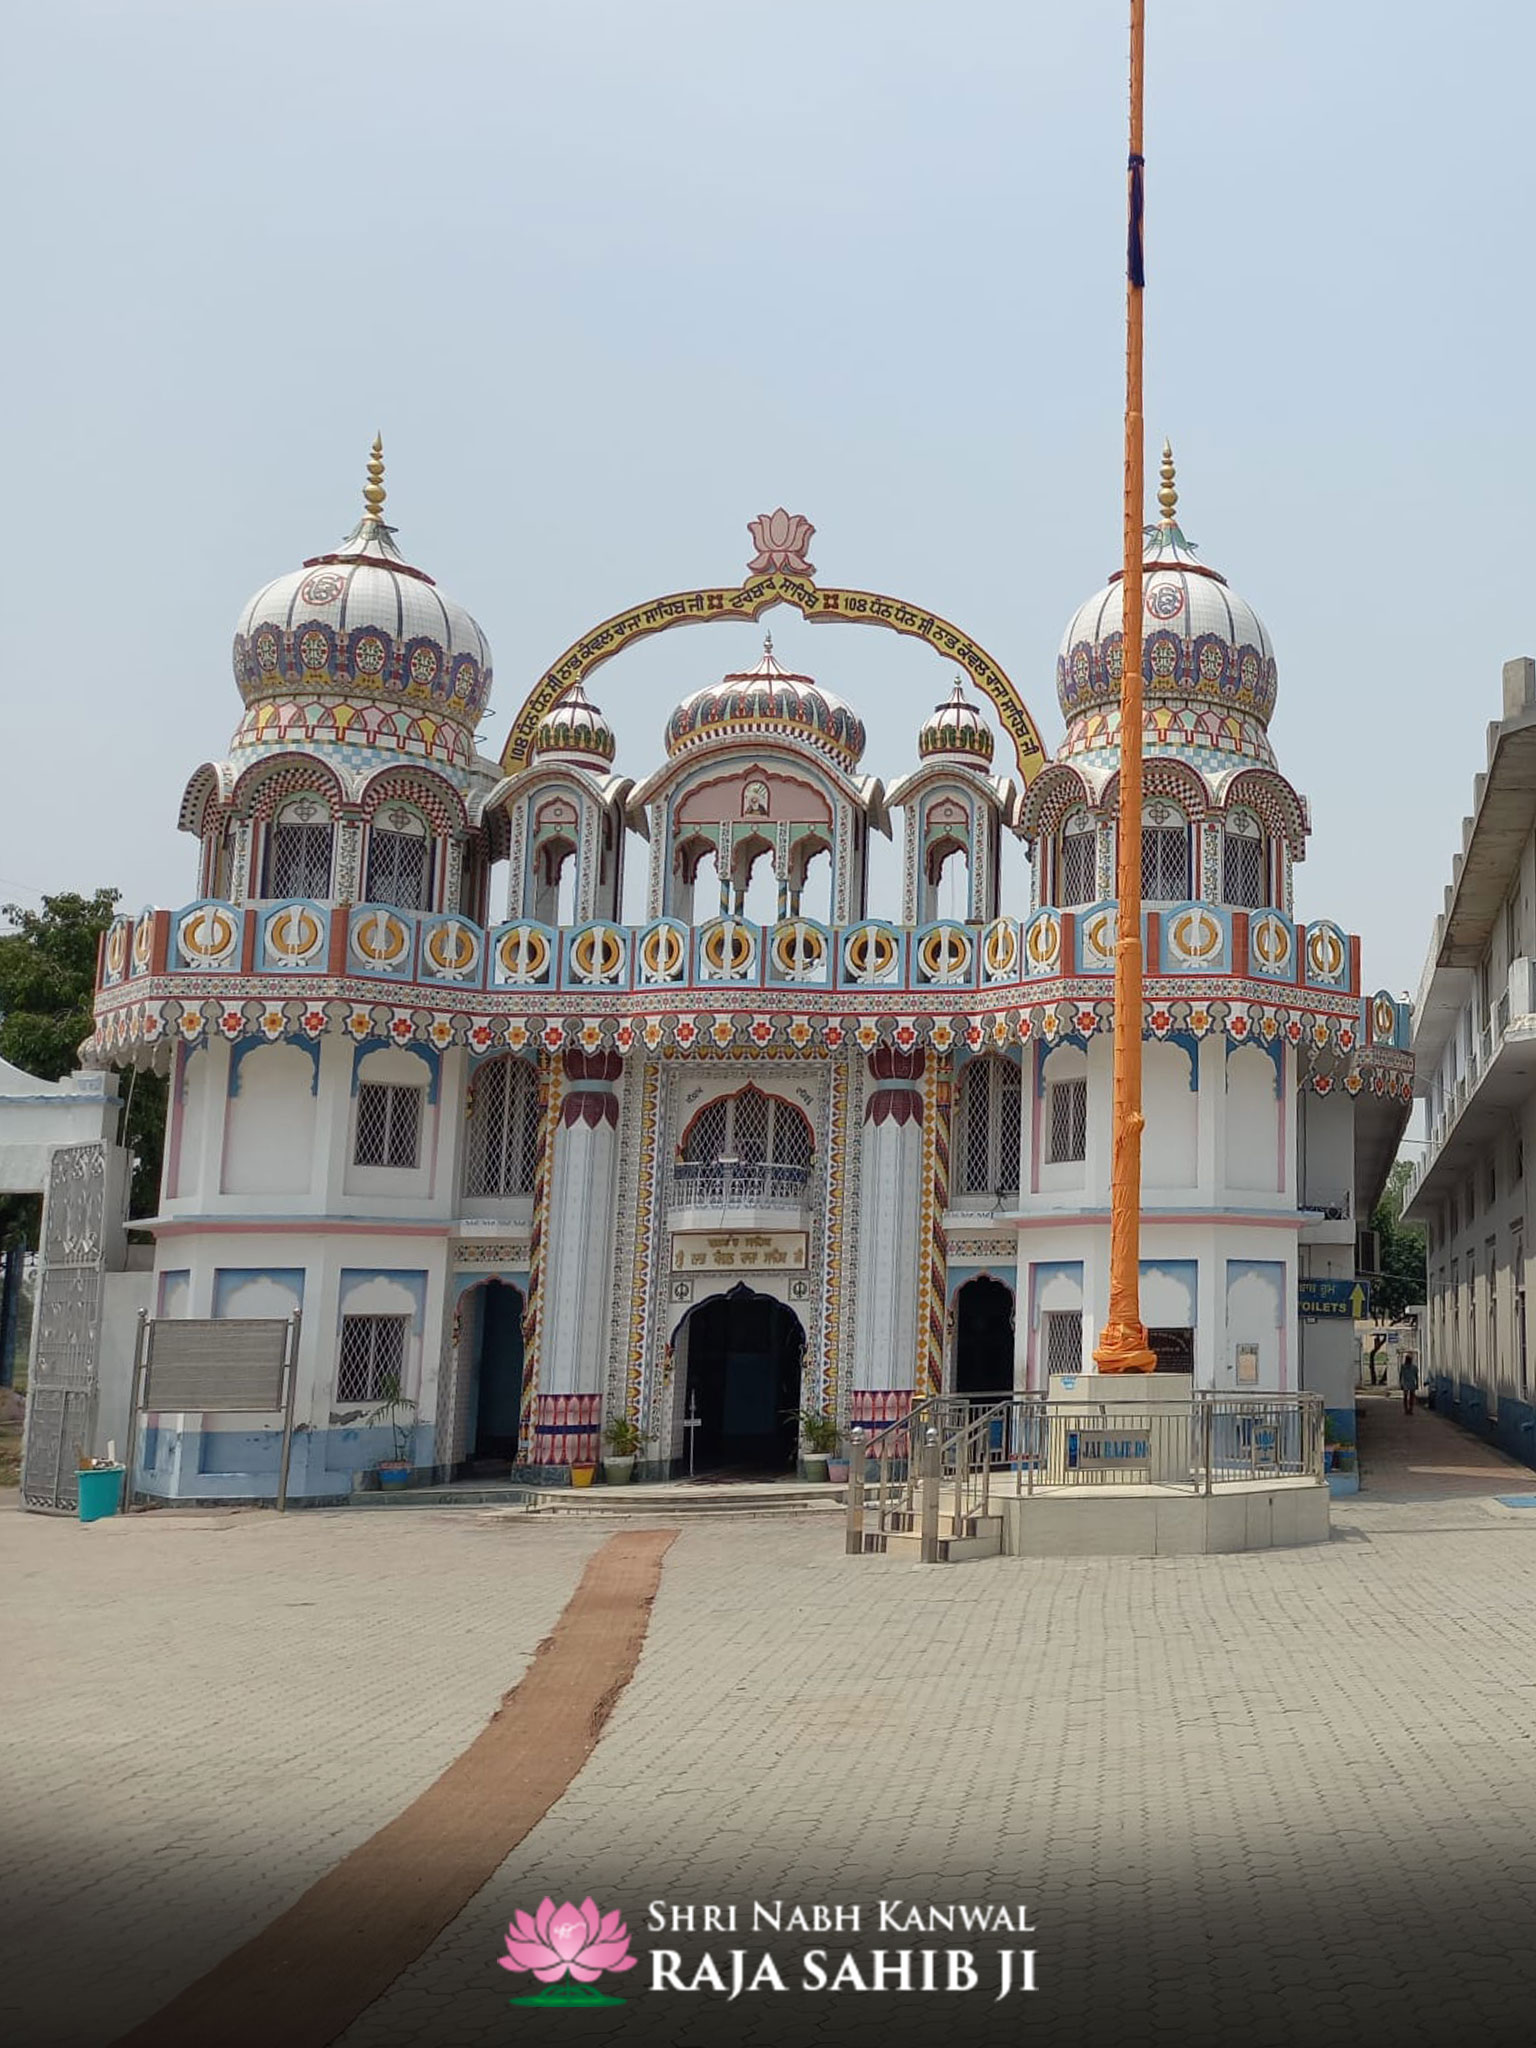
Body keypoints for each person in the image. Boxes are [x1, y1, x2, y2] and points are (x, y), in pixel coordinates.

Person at [1398, 1350, 1420, 1417]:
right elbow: (1401, 1375)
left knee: (1409, 1397)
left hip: (1409, 1383)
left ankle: (1409, 1409)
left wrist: (1417, 1384)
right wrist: (1401, 1383)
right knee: (1408, 1397)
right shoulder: (1404, 1367)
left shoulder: (1413, 1367)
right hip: (1408, 1383)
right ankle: (1408, 1409)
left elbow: (1416, 1376)